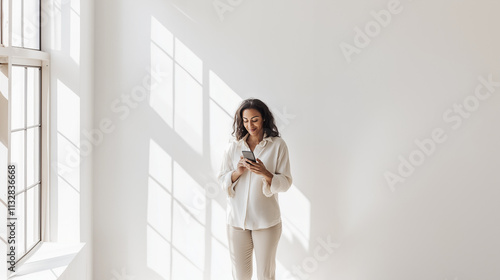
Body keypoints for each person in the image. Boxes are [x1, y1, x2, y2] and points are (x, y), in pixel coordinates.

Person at [217, 98, 293, 280]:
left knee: (265, 276)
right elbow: (221, 180)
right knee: (240, 276)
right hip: (236, 222)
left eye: (255, 119)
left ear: (264, 119)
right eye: (245, 120)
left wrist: (266, 173)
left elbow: (286, 182)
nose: (250, 124)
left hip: (266, 222)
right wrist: (237, 172)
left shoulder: (277, 145)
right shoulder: (233, 146)